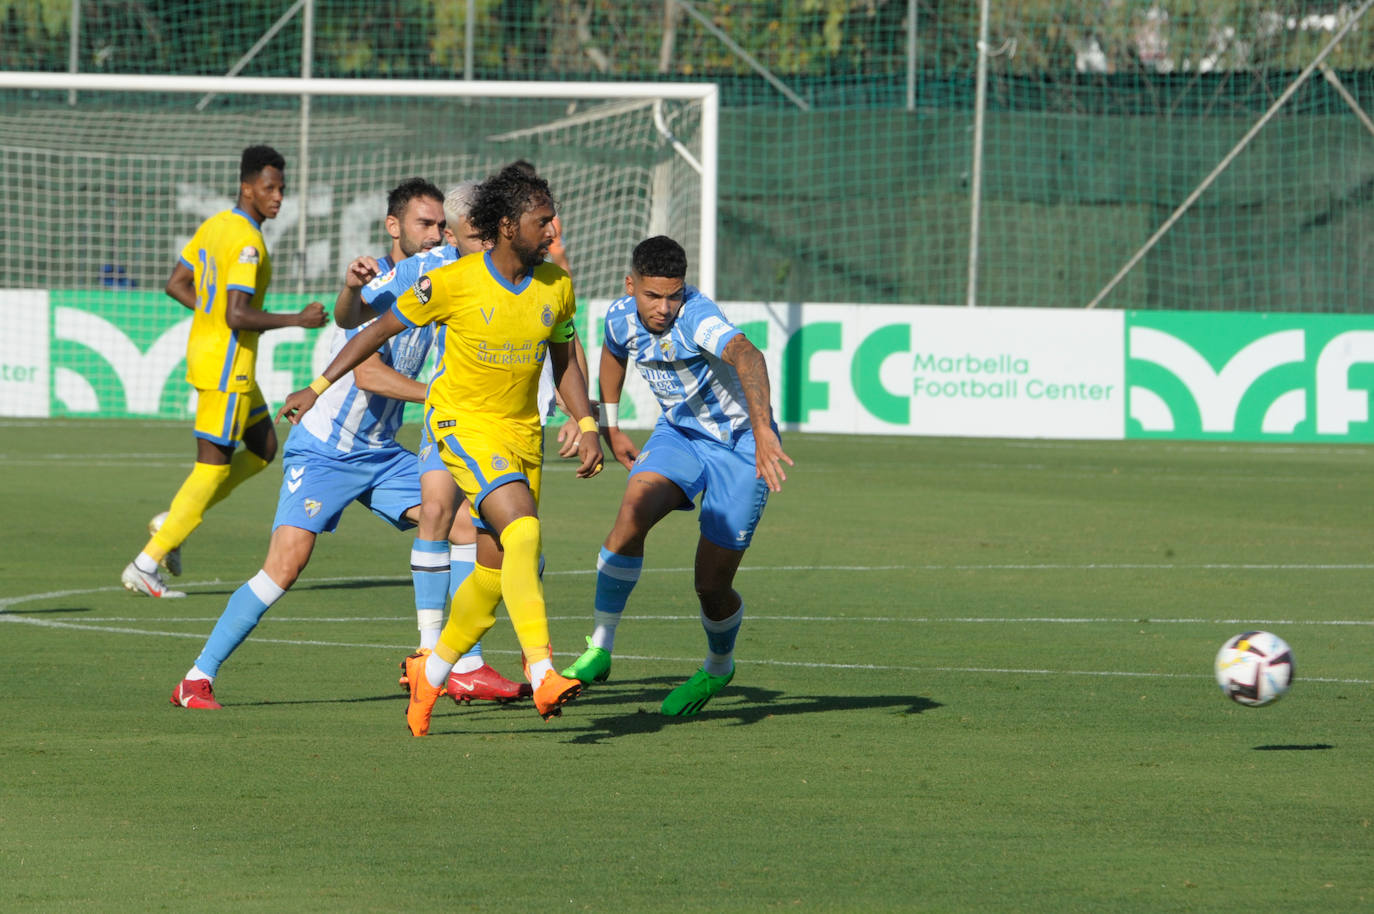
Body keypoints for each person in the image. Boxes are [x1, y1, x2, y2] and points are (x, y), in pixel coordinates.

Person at [277, 163, 605, 736]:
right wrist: (317, 387)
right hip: (462, 426)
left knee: (491, 569)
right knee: (524, 532)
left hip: (520, 435)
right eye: (542, 221)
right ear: (506, 225)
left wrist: (587, 420)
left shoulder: (557, 286)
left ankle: (432, 671)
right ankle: (544, 669)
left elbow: (561, 357)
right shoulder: (452, 280)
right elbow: (372, 332)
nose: (553, 232)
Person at [169, 177, 500, 709]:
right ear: (394, 227)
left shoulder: (442, 281)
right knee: (285, 567)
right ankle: (196, 677)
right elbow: (367, 371)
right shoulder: (392, 283)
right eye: (425, 223)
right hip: (325, 450)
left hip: (381, 452)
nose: (437, 233)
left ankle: (460, 664)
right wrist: (441, 393)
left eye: (442, 224)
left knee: (467, 526)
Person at [561, 235, 793, 716]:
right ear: (632, 286)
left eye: (674, 294)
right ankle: (600, 648)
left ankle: (717, 666)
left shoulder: (697, 317)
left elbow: (749, 357)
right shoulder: (621, 316)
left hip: (741, 446)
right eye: (653, 296)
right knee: (634, 509)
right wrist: (609, 424)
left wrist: (763, 429)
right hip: (680, 434)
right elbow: (612, 353)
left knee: (710, 583)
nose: (664, 308)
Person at [123, 145, 328, 599]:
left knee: (262, 448)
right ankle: (147, 561)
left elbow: (177, 283)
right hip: (227, 366)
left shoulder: (216, 224)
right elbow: (237, 315)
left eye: (282, 189)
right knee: (211, 470)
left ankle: (173, 520)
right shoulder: (248, 243)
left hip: (214, 357)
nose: (277, 197)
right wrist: (297, 318)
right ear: (247, 187)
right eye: (269, 188)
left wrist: (212, 312)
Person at [355, 180, 530, 703]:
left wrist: (584, 416)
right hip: (444, 417)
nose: (475, 242)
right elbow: (359, 316)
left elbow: (560, 341)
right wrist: (354, 289)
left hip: (506, 420)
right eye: (468, 234)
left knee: (503, 538)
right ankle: (435, 653)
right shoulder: (429, 270)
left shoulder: (524, 274)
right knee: (438, 511)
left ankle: (466, 658)